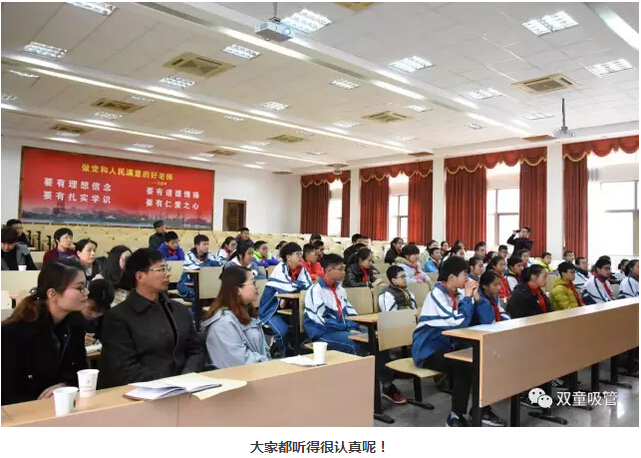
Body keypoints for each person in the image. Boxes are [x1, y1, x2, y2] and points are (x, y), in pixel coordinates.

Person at [412, 256, 505, 427]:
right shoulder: (436, 295)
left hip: (451, 345)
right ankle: (455, 416)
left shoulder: (461, 293)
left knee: (484, 359)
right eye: (464, 275)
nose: (468, 279)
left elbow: (487, 319)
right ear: (451, 277)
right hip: (428, 349)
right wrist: (468, 298)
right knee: (464, 365)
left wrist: (477, 297)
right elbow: (457, 322)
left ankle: (480, 410)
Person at [98, 249, 203, 388]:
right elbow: (124, 367)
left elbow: (195, 350)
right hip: (146, 391)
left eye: (167, 268)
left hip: (186, 386)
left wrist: (186, 376)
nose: (168, 274)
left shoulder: (179, 310)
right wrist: (167, 384)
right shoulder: (118, 317)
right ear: (140, 276)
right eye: (161, 269)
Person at [1, 259, 89, 405]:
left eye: (85, 286)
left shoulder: (75, 323)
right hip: (26, 409)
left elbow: (80, 369)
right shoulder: (13, 332)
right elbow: (7, 390)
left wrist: (66, 385)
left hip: (63, 405)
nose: (86, 292)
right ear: (52, 294)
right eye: (80, 288)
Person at [202, 266, 270, 369]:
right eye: (253, 283)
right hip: (239, 375)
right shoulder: (223, 324)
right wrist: (269, 365)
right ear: (238, 289)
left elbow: (264, 350)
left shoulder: (247, 313)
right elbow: (240, 363)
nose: (257, 287)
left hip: (259, 371)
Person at [259, 242, 312, 356]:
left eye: (301, 254)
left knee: (306, 325)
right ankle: (284, 354)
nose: (300, 256)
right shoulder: (280, 268)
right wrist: (299, 286)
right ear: (288, 257)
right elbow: (288, 287)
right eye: (297, 254)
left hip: (290, 309)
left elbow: (309, 286)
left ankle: (293, 348)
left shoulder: (301, 269)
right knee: (282, 330)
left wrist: (297, 286)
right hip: (271, 310)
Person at [304, 254, 361, 355]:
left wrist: (351, 328)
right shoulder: (316, 290)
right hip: (323, 333)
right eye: (340, 269)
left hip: (341, 329)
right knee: (355, 344)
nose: (344, 272)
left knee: (372, 338)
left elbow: (351, 312)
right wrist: (346, 329)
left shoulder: (340, 290)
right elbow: (321, 320)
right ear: (329, 270)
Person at [178, 235, 222, 301]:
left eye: (207, 244)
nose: (207, 246)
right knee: (196, 295)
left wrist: (208, 264)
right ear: (197, 245)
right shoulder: (189, 255)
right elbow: (194, 267)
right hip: (189, 282)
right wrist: (208, 264)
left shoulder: (210, 255)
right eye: (204, 244)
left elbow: (219, 264)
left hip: (205, 282)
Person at [81, 279, 115, 346]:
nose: (94, 315)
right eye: (91, 309)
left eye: (100, 312)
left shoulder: (107, 319)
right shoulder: (69, 315)